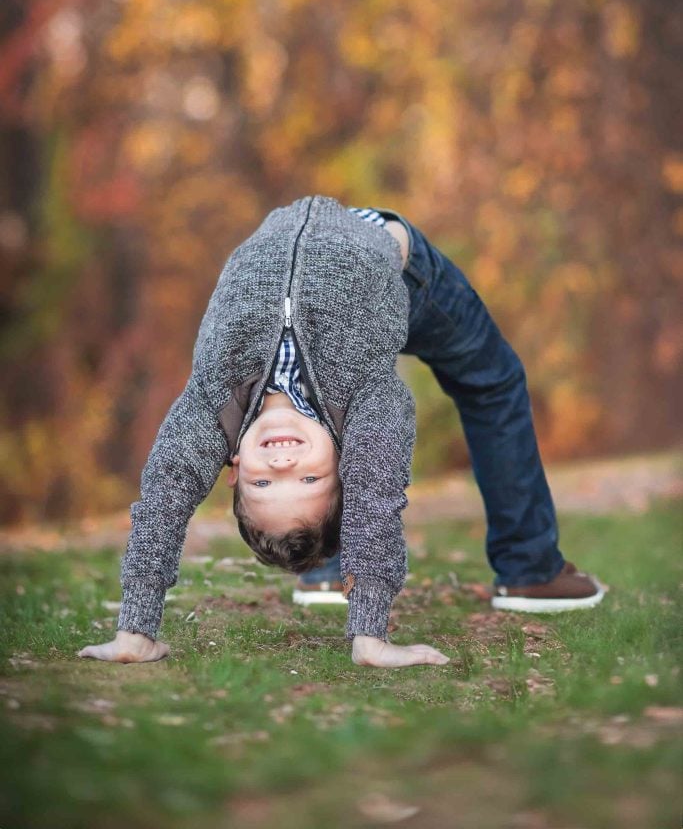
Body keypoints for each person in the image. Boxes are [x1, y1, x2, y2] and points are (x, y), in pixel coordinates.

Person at [77, 195, 604, 668]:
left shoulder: (213, 406)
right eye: (307, 482)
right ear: (346, 463)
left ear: (234, 470)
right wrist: (370, 637)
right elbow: (375, 499)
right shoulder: (367, 403)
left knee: (487, 386)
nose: (282, 468)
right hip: (400, 269)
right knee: (493, 381)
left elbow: (162, 501)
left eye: (264, 485)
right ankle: (529, 564)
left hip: (309, 235)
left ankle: (327, 571)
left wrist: (135, 629)